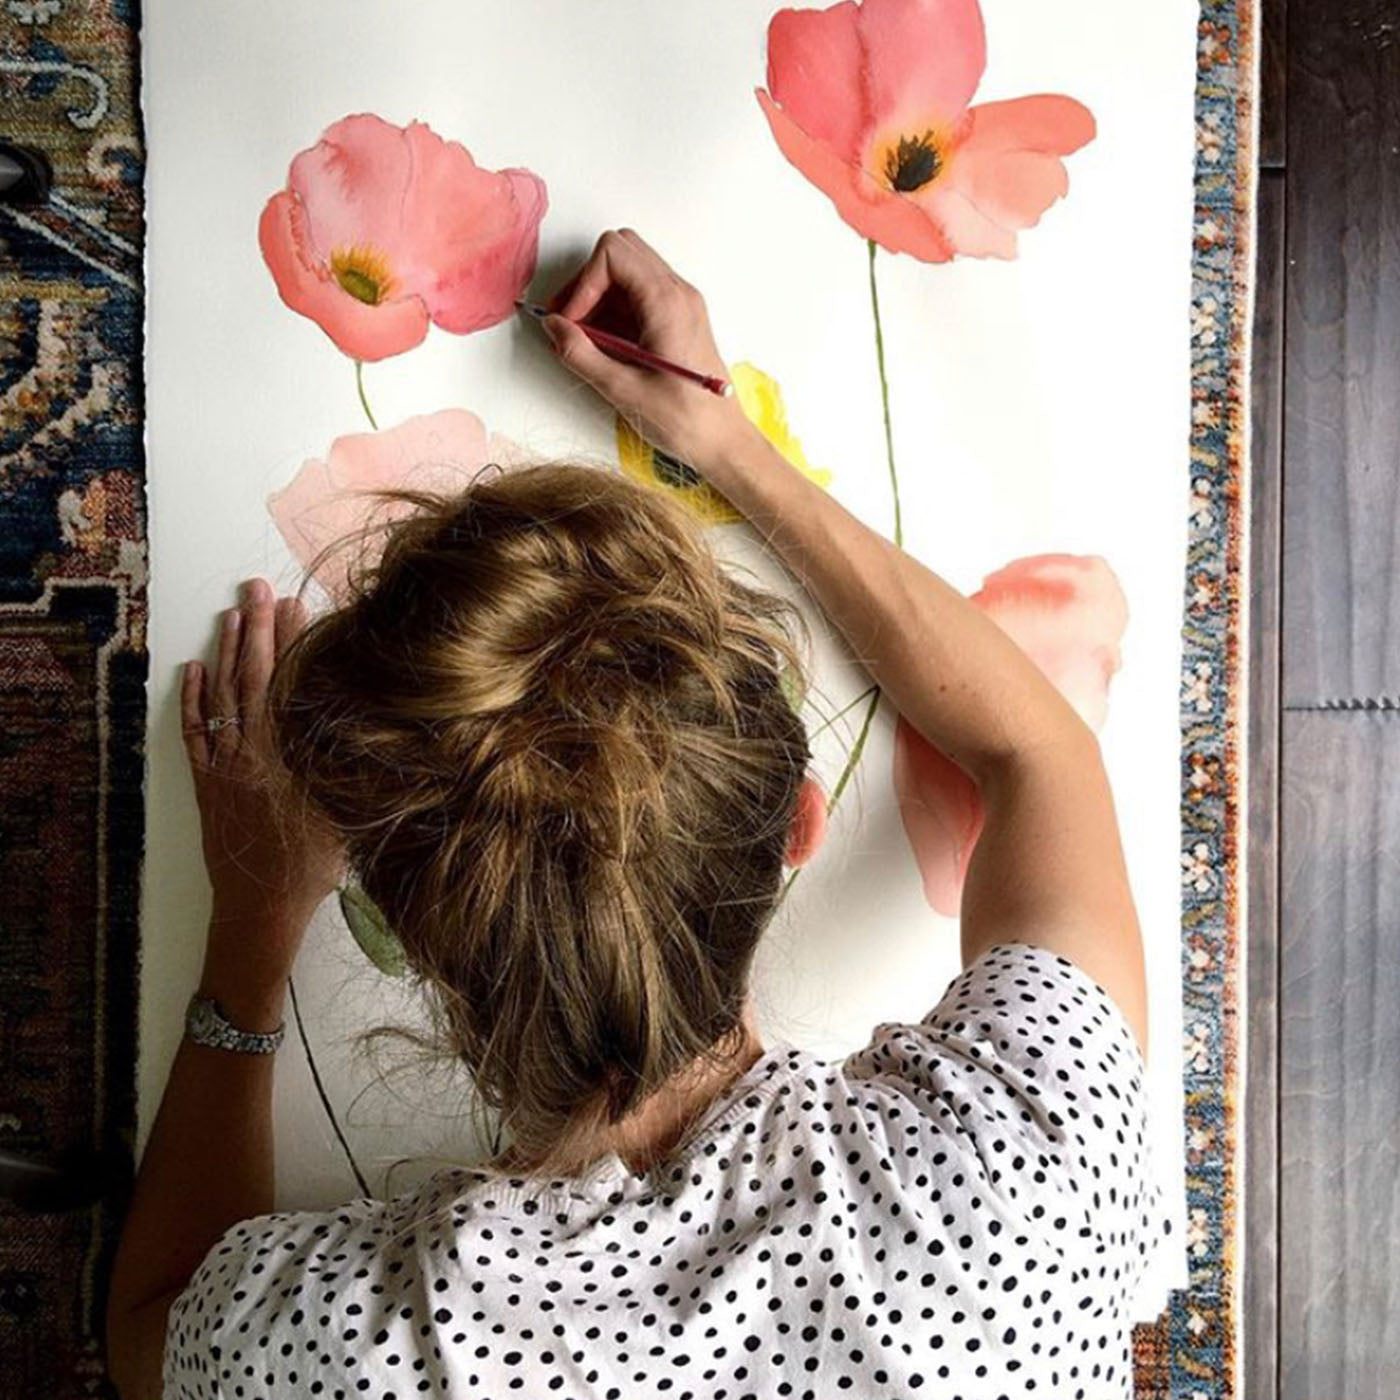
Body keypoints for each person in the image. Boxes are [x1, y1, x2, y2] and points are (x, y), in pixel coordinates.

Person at [107, 228, 1164, 1400]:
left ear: (407, 924)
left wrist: (253, 929)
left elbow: (151, 1326)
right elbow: (1035, 751)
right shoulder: (1024, 1183)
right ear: (799, 827)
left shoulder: (356, 1352)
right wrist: (724, 440)